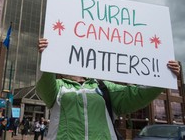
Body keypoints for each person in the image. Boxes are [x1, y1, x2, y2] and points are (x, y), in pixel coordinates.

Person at [36, 38, 181, 140]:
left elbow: (138, 95)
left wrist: (165, 76)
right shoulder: (58, 87)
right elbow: (44, 84)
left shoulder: (103, 87)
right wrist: (47, 56)